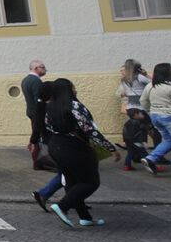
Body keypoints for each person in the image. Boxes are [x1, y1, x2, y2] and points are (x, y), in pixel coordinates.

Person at [45, 78, 120, 227]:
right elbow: (89, 129)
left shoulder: (51, 106)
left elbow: (47, 126)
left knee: (72, 182)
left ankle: (85, 217)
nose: (75, 90)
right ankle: (63, 206)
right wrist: (110, 147)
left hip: (56, 146)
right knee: (90, 182)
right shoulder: (74, 105)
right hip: (74, 147)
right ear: (68, 90)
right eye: (73, 87)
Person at [140, 62, 171, 180]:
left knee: (169, 140)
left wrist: (150, 111)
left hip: (156, 117)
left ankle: (151, 158)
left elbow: (143, 101)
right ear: (167, 73)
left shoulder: (151, 85)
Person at [30, 80, 63, 212]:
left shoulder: (40, 107)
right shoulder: (52, 108)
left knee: (66, 173)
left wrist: (33, 141)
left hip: (49, 143)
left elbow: (37, 127)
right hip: (58, 144)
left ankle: (76, 200)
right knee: (67, 173)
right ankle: (44, 194)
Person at [22, 60, 53, 170]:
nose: (45, 70)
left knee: (37, 136)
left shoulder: (26, 80)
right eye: (43, 67)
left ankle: (39, 161)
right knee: (40, 137)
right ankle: (39, 162)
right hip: (37, 114)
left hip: (32, 113)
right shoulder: (36, 81)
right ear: (35, 68)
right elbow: (38, 101)